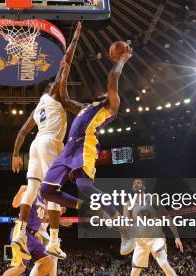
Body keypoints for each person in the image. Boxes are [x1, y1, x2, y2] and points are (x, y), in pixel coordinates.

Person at [39, 42, 133, 254]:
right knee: (46, 191)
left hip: (86, 146)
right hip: (68, 150)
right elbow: (63, 99)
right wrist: (63, 74)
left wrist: (121, 61)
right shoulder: (85, 108)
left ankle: (123, 227)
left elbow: (112, 79)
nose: (103, 92)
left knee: (85, 186)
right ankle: (89, 210)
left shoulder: (111, 106)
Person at [11, 22, 83, 260]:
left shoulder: (39, 106)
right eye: (60, 86)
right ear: (52, 87)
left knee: (32, 189)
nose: (63, 87)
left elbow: (22, 131)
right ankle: (53, 240)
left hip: (34, 145)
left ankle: (20, 233)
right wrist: (74, 38)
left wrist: (15, 155)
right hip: (50, 142)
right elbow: (66, 64)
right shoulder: (54, 93)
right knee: (53, 190)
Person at [122, 178, 192, 276]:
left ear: (144, 186)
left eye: (139, 182)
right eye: (134, 183)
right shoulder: (128, 204)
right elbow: (126, 224)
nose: (136, 184)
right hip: (141, 241)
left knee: (164, 263)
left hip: (156, 237)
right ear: (133, 188)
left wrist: (176, 237)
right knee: (134, 273)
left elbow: (166, 216)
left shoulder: (152, 199)